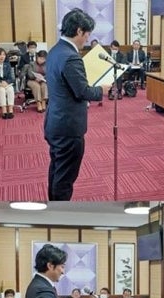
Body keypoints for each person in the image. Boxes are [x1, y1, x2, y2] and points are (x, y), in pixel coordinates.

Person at [44, 8, 110, 201]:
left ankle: (53, 206)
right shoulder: (71, 56)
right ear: (79, 31)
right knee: (65, 179)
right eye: (87, 34)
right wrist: (101, 90)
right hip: (68, 127)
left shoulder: (55, 51)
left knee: (57, 170)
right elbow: (83, 92)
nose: (87, 39)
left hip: (55, 121)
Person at [0, 48, 16, 119]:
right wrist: (0, 83)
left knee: (10, 89)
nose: (2, 56)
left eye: (4, 55)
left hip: (6, 84)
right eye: (0, 55)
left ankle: (10, 110)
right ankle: (4, 111)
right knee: (1, 90)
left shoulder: (7, 65)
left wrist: (7, 82)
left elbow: (11, 78)